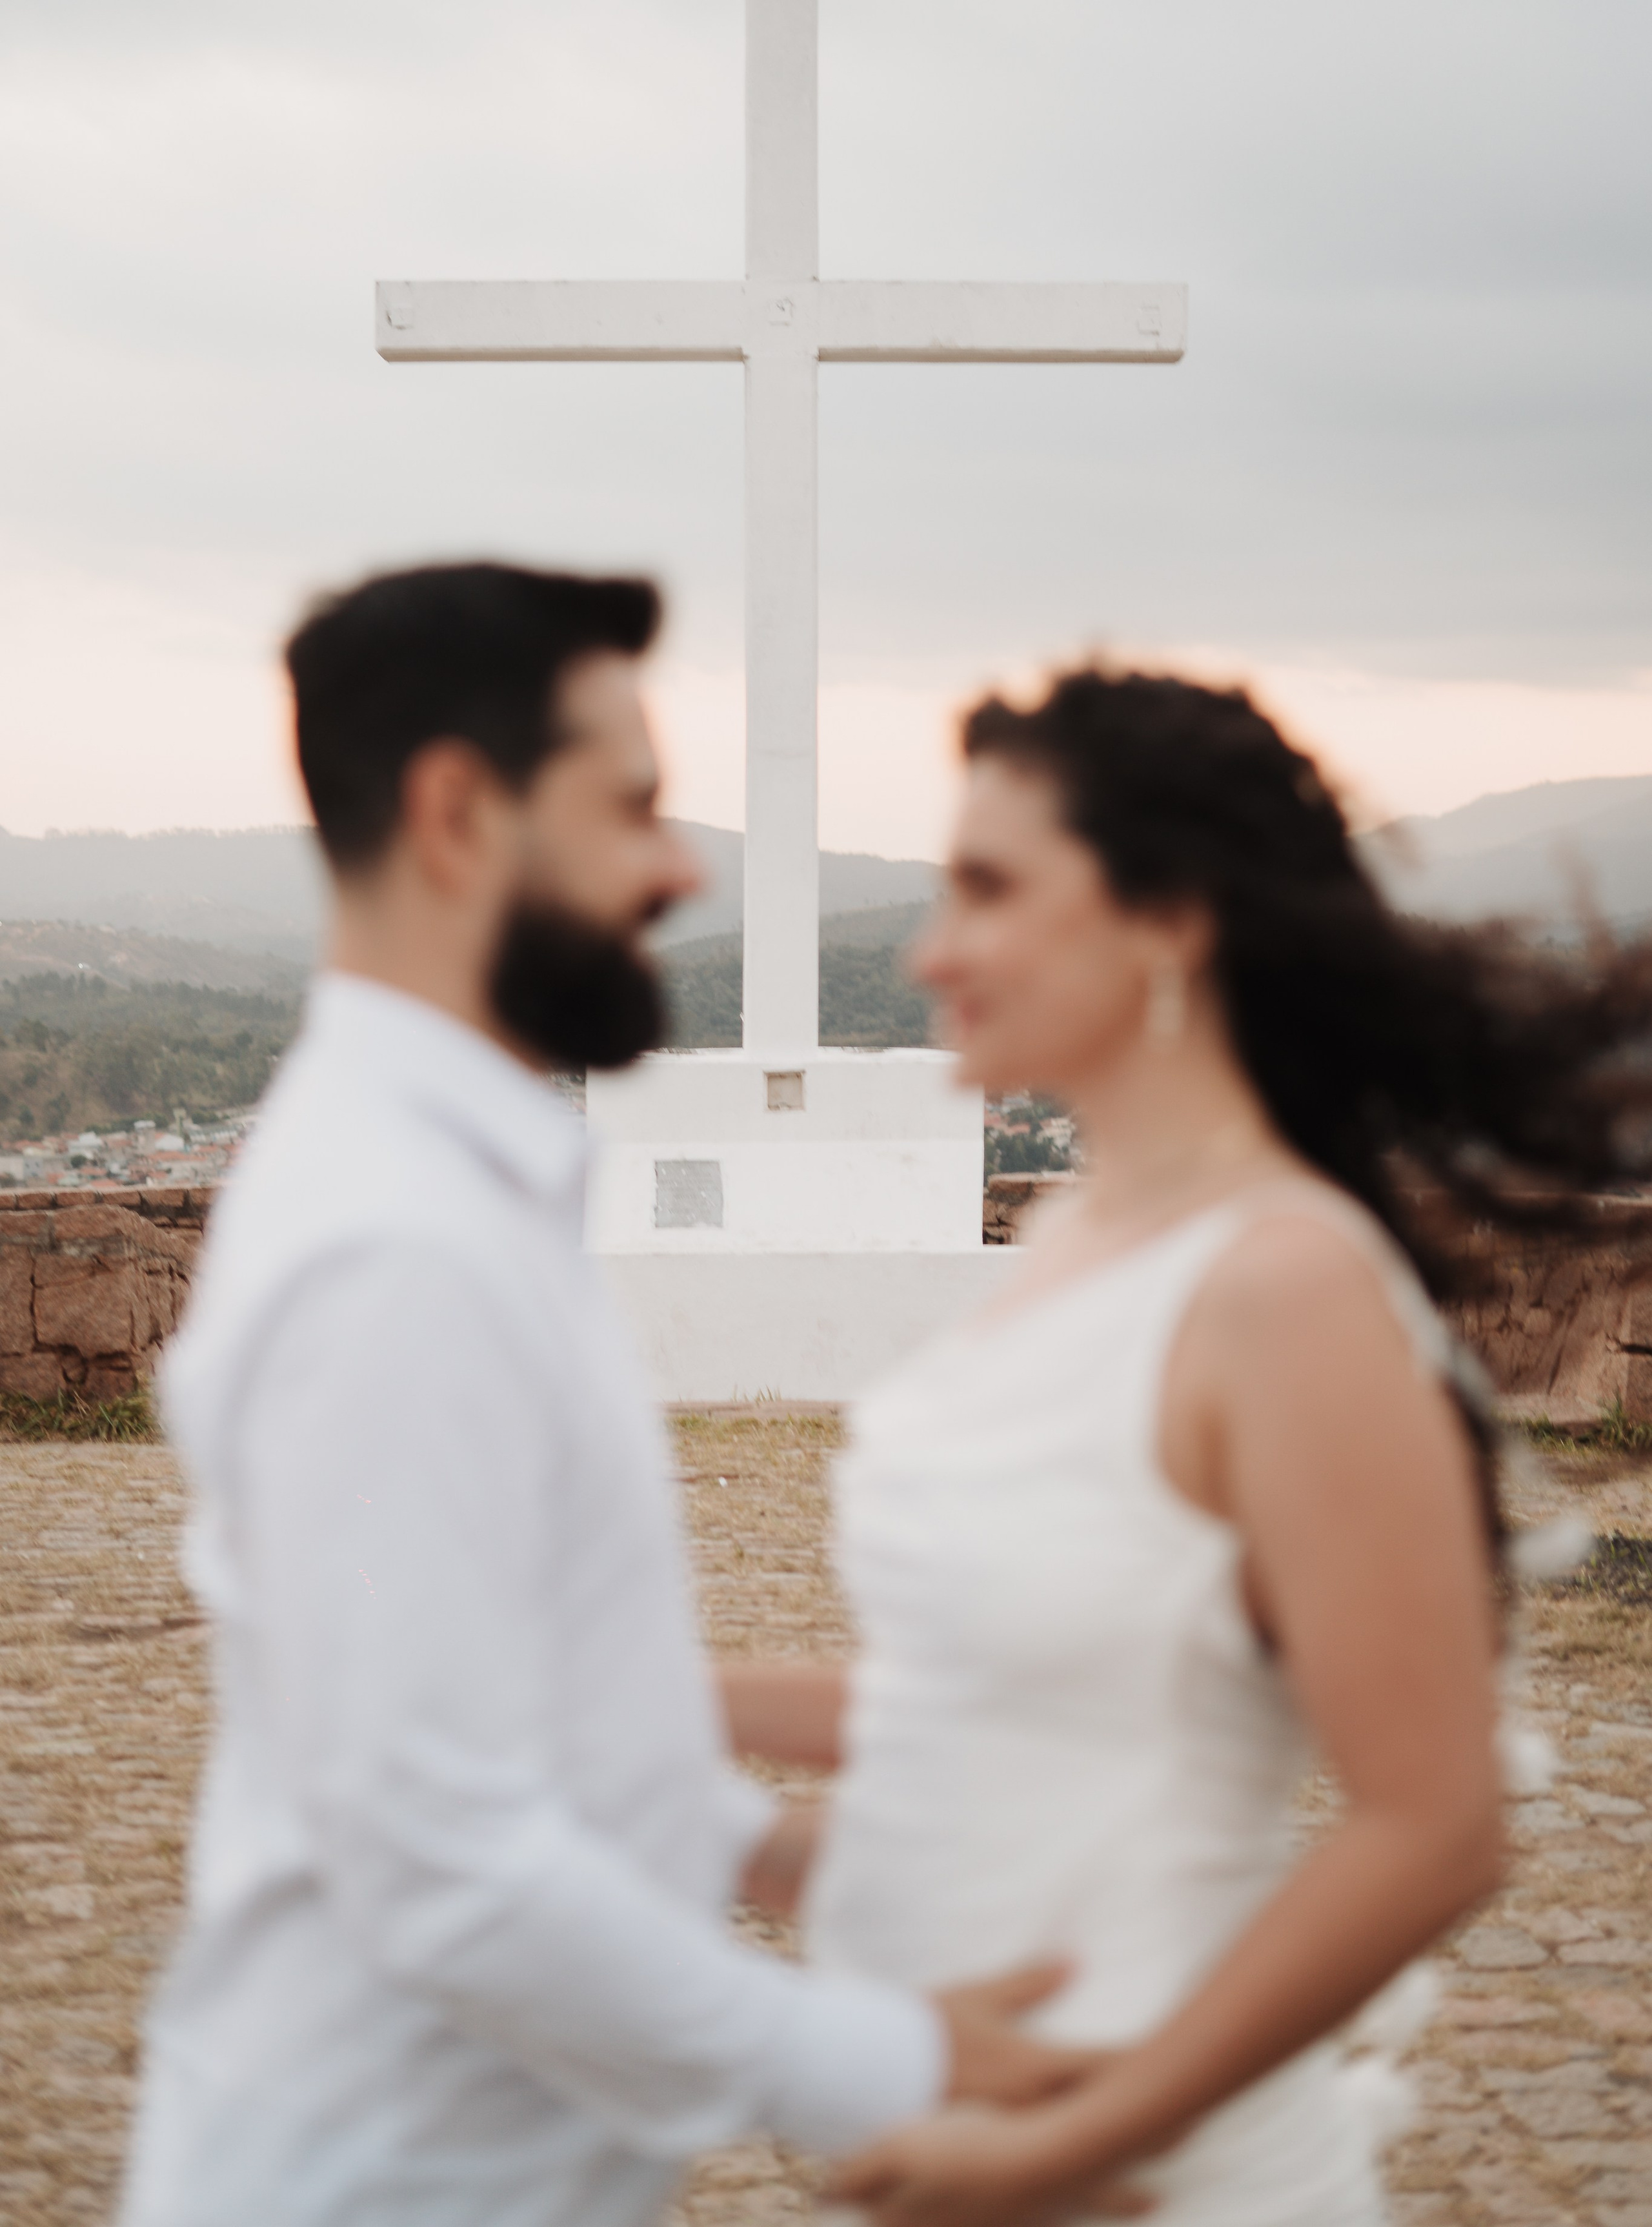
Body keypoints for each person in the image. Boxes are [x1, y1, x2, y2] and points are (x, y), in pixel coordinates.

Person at [118, 562, 1089, 2227]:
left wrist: (793, 1867)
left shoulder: (456, 1184)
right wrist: (886, 2061)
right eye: (631, 802)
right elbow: (442, 1854)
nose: (676, 865)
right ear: (455, 814)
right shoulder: (394, 1249)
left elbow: (530, 1717)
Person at [723, 666, 1652, 2227]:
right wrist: (667, 1711)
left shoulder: (1286, 1285)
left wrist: (1061, 2150)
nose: (926, 949)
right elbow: (1025, 1689)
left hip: (1145, 2172)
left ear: (1168, 918)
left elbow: (1428, 1828)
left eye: (989, 889)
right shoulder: (1084, 1226)